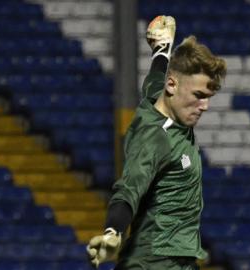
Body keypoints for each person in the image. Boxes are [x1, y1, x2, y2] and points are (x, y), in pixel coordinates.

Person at [86, 15, 227, 270]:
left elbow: (156, 76)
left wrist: (162, 48)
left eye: (208, 97)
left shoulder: (159, 97)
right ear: (172, 86)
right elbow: (128, 189)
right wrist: (112, 232)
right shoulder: (155, 137)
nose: (205, 106)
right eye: (199, 95)